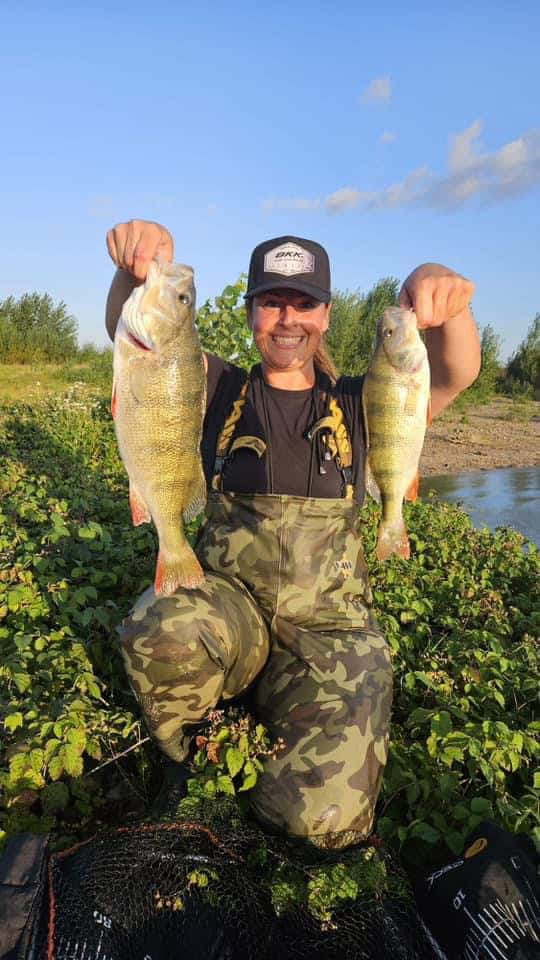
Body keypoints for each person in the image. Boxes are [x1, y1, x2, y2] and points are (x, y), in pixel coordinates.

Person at [105, 220, 480, 849]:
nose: (288, 318)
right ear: (252, 311)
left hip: (329, 626)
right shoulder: (216, 386)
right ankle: (191, 756)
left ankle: (274, 724)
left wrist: (450, 302)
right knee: (161, 629)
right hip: (234, 606)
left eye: (303, 302)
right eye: (273, 300)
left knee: (320, 823)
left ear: (326, 315)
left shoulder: (367, 401)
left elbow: (455, 371)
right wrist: (134, 270)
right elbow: (144, 338)